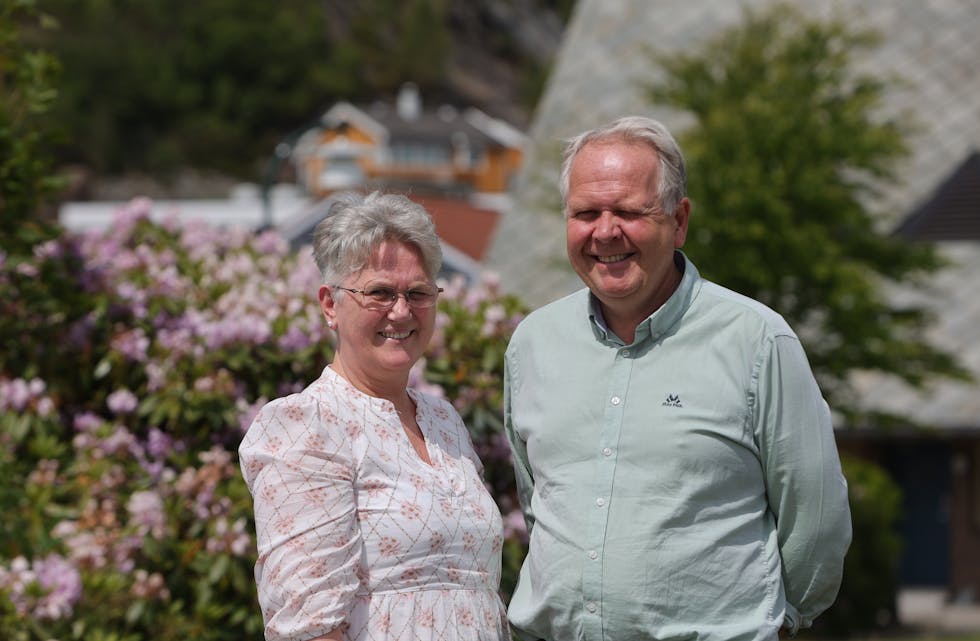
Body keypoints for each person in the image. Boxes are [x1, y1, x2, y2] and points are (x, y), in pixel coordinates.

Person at [502, 116, 852, 641]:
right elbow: (539, 505)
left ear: (678, 219)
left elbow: (816, 515)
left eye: (628, 211)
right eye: (585, 213)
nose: (604, 231)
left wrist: (783, 620)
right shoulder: (532, 344)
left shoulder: (757, 341)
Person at [239, 191, 510, 641]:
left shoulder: (444, 421)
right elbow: (309, 628)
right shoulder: (307, 424)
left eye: (418, 293)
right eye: (380, 292)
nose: (401, 311)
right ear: (330, 304)